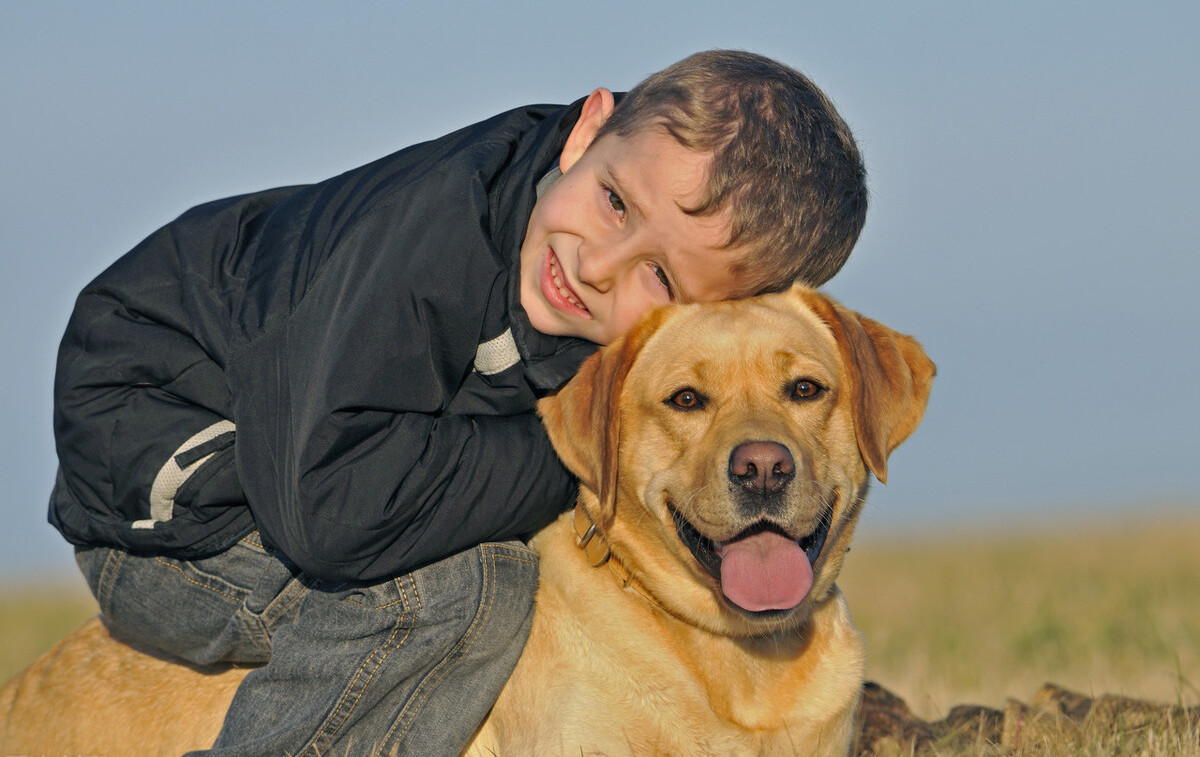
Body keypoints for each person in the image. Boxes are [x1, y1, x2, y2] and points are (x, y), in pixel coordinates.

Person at [49, 49, 868, 755]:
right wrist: (573, 451)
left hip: (283, 456)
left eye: (660, 277)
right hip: (164, 496)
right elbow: (322, 508)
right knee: (458, 592)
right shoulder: (432, 245)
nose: (598, 264)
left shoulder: (559, 257)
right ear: (589, 129)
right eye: (615, 202)